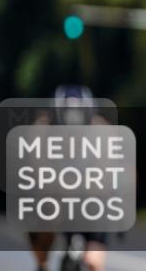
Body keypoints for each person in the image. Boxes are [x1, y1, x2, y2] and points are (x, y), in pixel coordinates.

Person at [28, 85, 110, 271]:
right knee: (42, 227)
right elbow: (35, 168)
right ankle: (42, 265)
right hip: (54, 196)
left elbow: (108, 173)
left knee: (94, 262)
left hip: (92, 200)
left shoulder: (103, 132)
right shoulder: (41, 130)